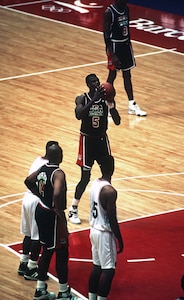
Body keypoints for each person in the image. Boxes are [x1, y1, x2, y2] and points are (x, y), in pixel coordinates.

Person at [24, 144, 80, 300]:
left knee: (47, 251)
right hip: (52, 215)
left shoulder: (42, 168)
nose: (62, 155)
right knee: (62, 252)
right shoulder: (58, 173)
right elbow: (56, 192)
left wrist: (40, 196)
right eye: (61, 153)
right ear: (58, 156)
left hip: (41, 210)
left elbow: (28, 181)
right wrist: (59, 212)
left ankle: (40, 290)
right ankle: (63, 292)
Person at [68, 73, 121, 224]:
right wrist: (94, 98)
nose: (96, 83)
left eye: (97, 80)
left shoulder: (105, 100)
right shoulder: (82, 98)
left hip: (102, 140)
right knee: (85, 178)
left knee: (107, 174)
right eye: (92, 82)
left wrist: (111, 104)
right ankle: (73, 209)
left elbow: (117, 121)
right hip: (87, 141)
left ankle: (106, 208)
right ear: (87, 84)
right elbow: (79, 115)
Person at [18, 140, 59, 280]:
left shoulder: (38, 159)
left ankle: (23, 262)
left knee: (28, 234)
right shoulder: (46, 166)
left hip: (26, 199)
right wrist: (41, 196)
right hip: (36, 201)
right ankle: (31, 268)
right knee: (37, 237)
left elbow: (28, 181)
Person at [88, 155, 124, 300]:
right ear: (113, 169)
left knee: (97, 267)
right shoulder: (110, 191)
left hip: (93, 230)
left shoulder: (95, 183)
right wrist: (119, 239)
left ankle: (91, 298)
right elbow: (112, 218)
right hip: (104, 233)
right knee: (109, 271)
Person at [103, 0, 147, 116]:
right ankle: (107, 104)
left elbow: (127, 28)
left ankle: (132, 104)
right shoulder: (109, 12)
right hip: (114, 45)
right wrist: (112, 54)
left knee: (127, 75)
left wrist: (129, 45)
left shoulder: (126, 9)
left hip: (125, 45)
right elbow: (106, 35)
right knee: (112, 75)